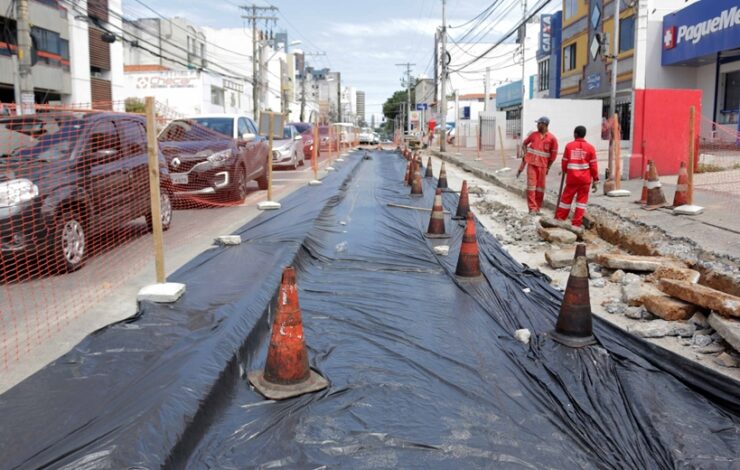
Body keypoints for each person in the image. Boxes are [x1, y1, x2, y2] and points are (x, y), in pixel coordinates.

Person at [555, 125, 599, 227]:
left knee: (565, 200)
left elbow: (564, 162)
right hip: (585, 181)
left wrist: (564, 170)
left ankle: (560, 219)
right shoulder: (590, 148)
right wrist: (595, 180)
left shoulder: (569, 146)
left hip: (572, 179)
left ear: (575, 134)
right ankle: (576, 223)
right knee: (581, 203)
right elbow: (593, 166)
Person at [518, 116, 558, 214]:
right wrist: (525, 154)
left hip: (543, 166)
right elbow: (524, 144)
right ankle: (532, 208)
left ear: (544, 125)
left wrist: (548, 167)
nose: (537, 125)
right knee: (531, 187)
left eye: (539, 123)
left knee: (540, 189)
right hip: (532, 164)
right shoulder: (533, 135)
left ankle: (537, 208)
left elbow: (553, 155)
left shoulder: (552, 139)